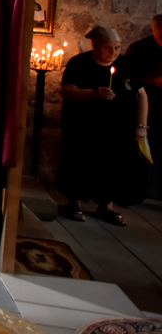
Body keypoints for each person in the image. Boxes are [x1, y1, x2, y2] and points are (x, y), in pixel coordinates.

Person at [56, 27, 150, 224]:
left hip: (117, 128)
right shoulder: (79, 63)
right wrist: (93, 94)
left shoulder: (125, 64)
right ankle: (74, 202)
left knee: (113, 165)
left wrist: (141, 126)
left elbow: (141, 95)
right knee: (80, 161)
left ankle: (106, 205)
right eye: (108, 48)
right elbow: (67, 90)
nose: (114, 53)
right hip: (84, 125)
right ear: (95, 46)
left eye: (117, 48)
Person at [122, 15, 162, 199]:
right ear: (151, 31)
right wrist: (152, 80)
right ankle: (132, 194)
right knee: (138, 154)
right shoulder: (139, 49)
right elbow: (128, 79)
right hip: (144, 108)